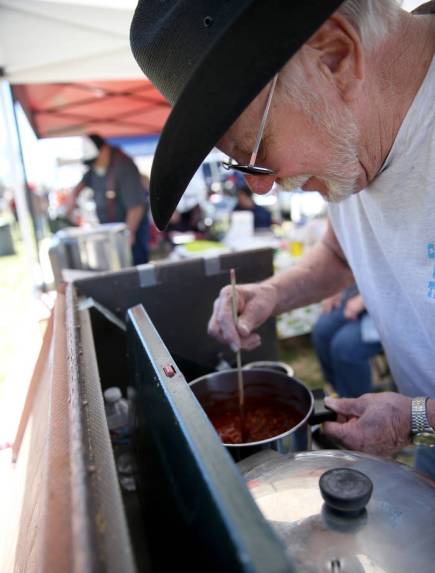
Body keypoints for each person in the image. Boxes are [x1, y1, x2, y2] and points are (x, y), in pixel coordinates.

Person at [130, 2, 435, 471]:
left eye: (255, 150)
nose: (260, 185)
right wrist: (273, 294)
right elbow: (341, 253)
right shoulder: (352, 134)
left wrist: (416, 418)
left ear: (334, 55)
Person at [67, 134, 149, 264]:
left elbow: (136, 205)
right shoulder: (94, 169)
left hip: (131, 232)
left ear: (104, 150)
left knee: (135, 270)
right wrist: (72, 198)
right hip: (110, 233)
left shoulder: (123, 166)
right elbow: (82, 184)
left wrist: (129, 233)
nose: (93, 164)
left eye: (95, 160)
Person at [312, 285, 383, 398]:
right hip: (357, 294)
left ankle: (357, 404)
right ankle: (341, 393)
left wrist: (363, 299)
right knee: (322, 331)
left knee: (345, 346)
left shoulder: (419, 407)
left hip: (386, 307)